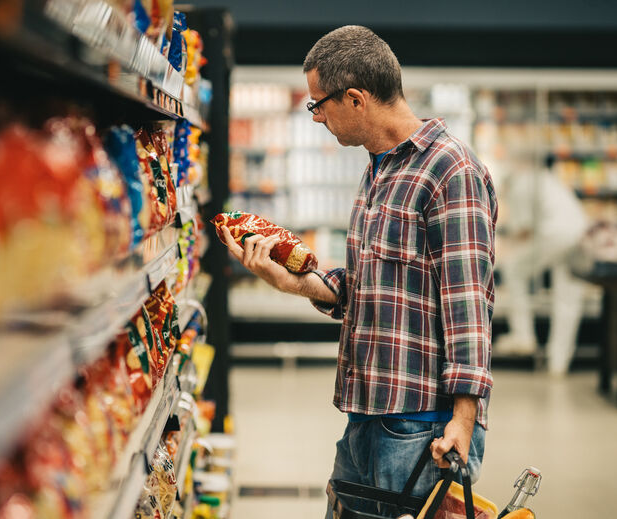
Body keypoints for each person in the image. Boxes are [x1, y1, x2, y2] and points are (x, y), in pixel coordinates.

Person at [219, 26, 497, 515]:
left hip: (421, 424)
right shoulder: (379, 169)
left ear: (355, 99)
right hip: (367, 412)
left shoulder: (451, 171)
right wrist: (291, 281)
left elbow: (468, 304)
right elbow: (368, 289)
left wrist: (464, 417)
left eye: (318, 105)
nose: (316, 117)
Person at [494, 157, 589, 375]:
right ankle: (559, 363)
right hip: (579, 232)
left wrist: (502, 244)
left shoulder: (518, 186)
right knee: (568, 298)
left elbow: (525, 230)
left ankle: (523, 336)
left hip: (554, 233)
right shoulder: (543, 178)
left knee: (514, 269)